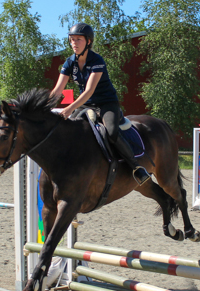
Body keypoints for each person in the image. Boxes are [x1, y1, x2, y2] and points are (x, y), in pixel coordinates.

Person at [50, 22, 150, 185]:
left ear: (88, 41)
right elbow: (57, 90)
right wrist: (44, 106)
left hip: (106, 103)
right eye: (72, 39)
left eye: (78, 39)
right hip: (86, 104)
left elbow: (89, 90)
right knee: (69, 130)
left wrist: (69, 109)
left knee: (111, 132)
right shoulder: (69, 63)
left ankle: (136, 167)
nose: (74, 43)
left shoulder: (97, 60)